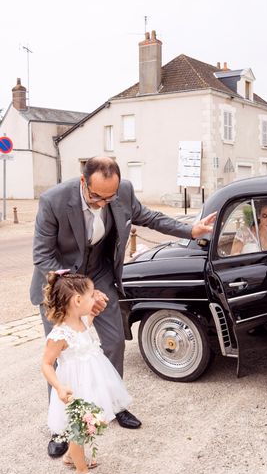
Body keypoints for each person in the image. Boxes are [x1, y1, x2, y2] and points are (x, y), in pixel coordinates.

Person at [30, 156, 216, 457]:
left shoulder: (124, 191)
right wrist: (82, 292)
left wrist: (191, 231)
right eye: (96, 197)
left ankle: (114, 406)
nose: (103, 203)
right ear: (83, 182)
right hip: (61, 284)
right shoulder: (53, 200)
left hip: (100, 274)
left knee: (115, 341)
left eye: (110, 197)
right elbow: (42, 257)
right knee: (60, 355)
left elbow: (151, 218)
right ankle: (62, 427)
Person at [41, 271, 131, 474]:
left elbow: (86, 329)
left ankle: (69, 457)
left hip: (91, 381)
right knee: (78, 430)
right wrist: (59, 387)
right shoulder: (59, 334)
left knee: (86, 425)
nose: (94, 298)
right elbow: (46, 364)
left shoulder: (80, 321)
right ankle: (82, 471)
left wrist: (92, 313)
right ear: (78, 300)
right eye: (91, 296)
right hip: (74, 387)